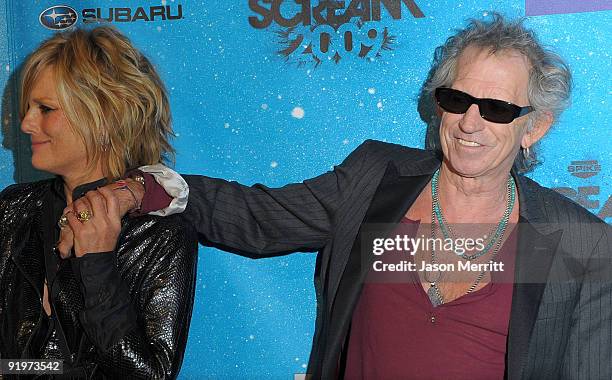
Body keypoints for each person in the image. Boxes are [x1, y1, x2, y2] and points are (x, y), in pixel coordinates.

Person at [64, 14, 611, 379]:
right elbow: (258, 218)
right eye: (457, 98)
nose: (470, 122)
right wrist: (141, 186)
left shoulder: (581, 247)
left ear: (534, 127)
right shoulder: (376, 180)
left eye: (495, 108)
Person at [0, 26, 198, 378]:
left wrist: (95, 265)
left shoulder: (159, 235)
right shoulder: (14, 209)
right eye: (27, 108)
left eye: (45, 109)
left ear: (104, 118)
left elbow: (150, 374)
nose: (27, 123)